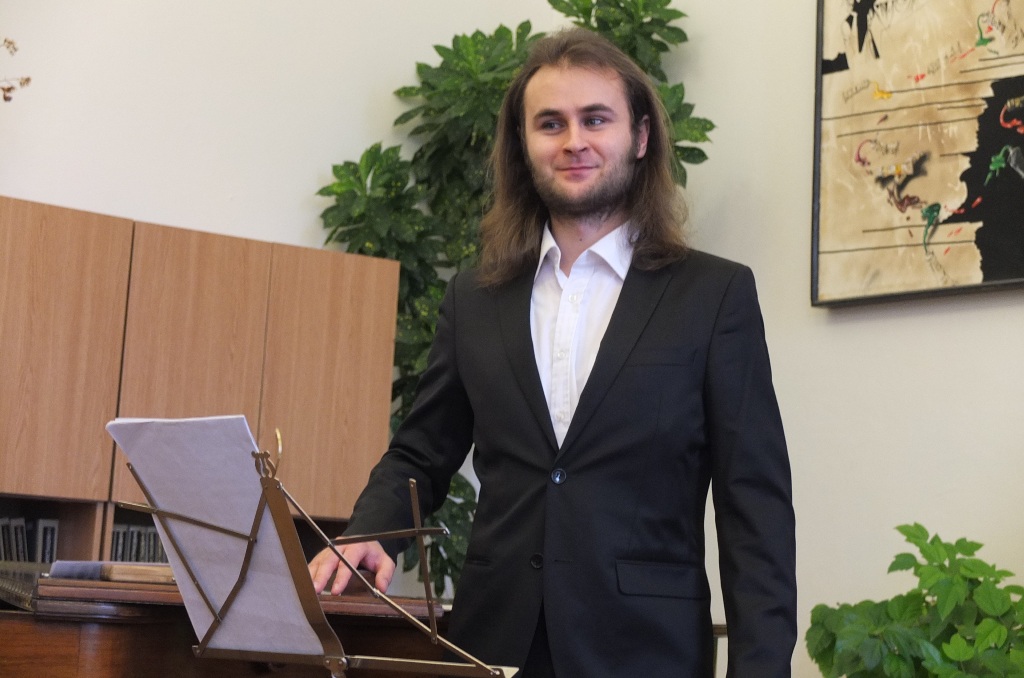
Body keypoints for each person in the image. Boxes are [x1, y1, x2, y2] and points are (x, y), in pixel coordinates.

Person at [309, 27, 797, 677]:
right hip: (495, 642)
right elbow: (422, 450)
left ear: (640, 137)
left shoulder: (714, 295)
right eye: (550, 123)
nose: (573, 141)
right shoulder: (473, 299)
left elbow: (754, 508)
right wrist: (371, 529)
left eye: (595, 119)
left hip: (646, 652)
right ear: (522, 143)